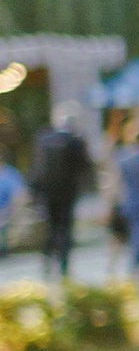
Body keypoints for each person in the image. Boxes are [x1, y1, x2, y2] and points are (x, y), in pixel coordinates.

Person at [31, 116, 93, 280]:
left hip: (47, 192)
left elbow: (36, 167)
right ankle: (64, 265)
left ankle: (47, 260)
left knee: (51, 226)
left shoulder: (43, 139)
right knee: (65, 227)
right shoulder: (73, 140)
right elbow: (85, 165)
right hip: (67, 191)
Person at [111, 120, 139, 279]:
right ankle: (134, 266)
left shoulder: (121, 156)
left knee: (133, 235)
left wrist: (112, 203)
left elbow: (115, 182)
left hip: (127, 201)